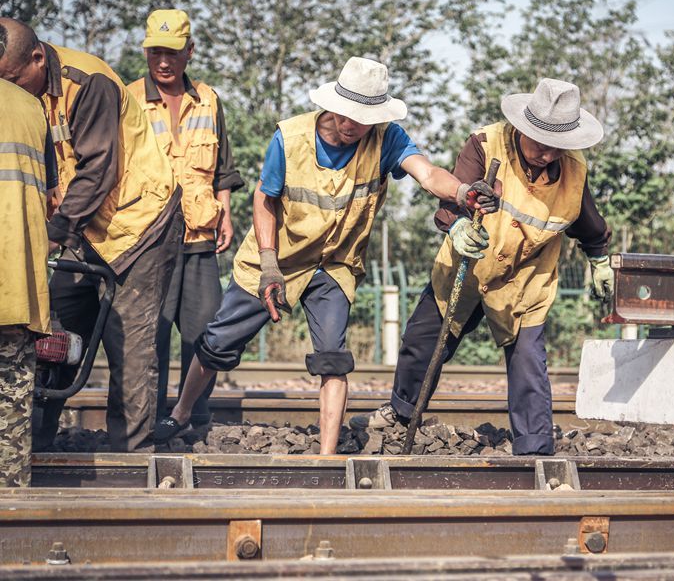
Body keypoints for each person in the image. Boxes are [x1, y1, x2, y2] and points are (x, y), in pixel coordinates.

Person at [154, 56, 496, 454]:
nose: (352, 125)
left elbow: (427, 173)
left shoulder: (387, 138)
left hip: (334, 263)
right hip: (276, 257)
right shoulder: (291, 138)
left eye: (363, 118)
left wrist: (459, 192)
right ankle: (180, 411)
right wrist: (267, 263)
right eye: (347, 115)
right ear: (332, 105)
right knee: (218, 342)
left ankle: (326, 457)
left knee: (333, 357)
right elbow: (265, 199)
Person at [351, 78, 612, 455]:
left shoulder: (573, 170)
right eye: (540, 143)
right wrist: (456, 225)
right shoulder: (485, 145)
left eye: (557, 147)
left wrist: (599, 258)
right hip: (467, 267)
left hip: (524, 280)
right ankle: (402, 413)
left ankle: (535, 447)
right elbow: (456, 193)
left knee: (528, 362)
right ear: (521, 128)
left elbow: (585, 219)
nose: (547, 154)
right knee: (422, 342)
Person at [0, 18, 183, 452]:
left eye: (10, 79)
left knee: (130, 348)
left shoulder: (90, 81)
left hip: (141, 225)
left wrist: (52, 233)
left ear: (37, 58)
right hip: (84, 227)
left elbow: (98, 168)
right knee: (54, 336)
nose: (8, 89)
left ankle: (132, 457)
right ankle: (32, 444)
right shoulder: (29, 96)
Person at [127, 10, 245, 429]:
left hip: (200, 237)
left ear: (189, 52)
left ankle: (192, 417)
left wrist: (226, 213)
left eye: (172, 52)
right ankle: (147, 420)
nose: (163, 61)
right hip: (147, 242)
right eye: (155, 51)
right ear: (146, 51)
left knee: (204, 332)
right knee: (149, 337)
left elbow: (222, 169)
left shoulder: (209, 100)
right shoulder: (128, 101)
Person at [0, 74, 59, 486]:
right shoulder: (31, 108)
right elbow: (54, 199)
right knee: (12, 405)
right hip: (17, 281)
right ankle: (11, 502)